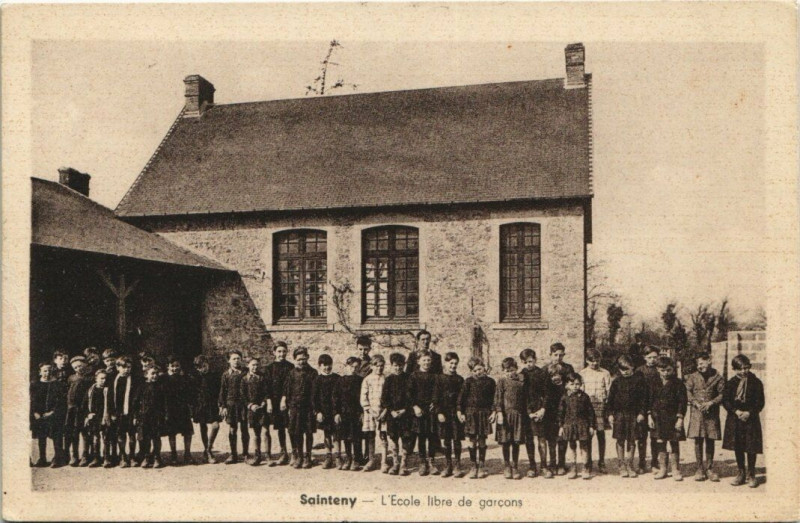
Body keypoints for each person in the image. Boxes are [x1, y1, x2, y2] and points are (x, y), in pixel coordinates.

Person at [722, 354, 764, 488]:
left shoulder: (756, 382)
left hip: (751, 418)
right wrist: (736, 411)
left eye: (746, 368)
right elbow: (726, 401)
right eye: (740, 369)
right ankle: (741, 473)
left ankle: (751, 474)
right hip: (735, 418)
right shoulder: (730, 383)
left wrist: (749, 412)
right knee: (738, 445)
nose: (743, 371)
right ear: (734, 369)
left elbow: (760, 402)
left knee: (751, 446)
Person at [685, 351, 724, 482]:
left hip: (711, 413)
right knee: (698, 439)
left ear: (709, 361)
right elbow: (687, 391)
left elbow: (722, 394)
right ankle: (699, 468)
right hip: (697, 413)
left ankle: (710, 468)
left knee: (710, 439)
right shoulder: (692, 377)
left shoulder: (718, 377)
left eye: (702, 363)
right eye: (698, 364)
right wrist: (695, 402)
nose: (700, 366)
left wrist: (711, 403)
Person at [606, 355, 647, 477]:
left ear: (632, 367)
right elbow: (610, 400)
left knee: (632, 440)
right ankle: (621, 464)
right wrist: (610, 414)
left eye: (627, 369)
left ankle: (630, 464)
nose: (625, 372)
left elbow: (643, 399)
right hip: (619, 415)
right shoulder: (616, 382)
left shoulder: (639, 381)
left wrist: (641, 413)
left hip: (633, 415)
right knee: (620, 439)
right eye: (622, 369)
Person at [649, 356, 687, 481]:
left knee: (674, 442)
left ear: (673, 369)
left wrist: (680, 418)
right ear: (657, 369)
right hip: (657, 417)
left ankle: (675, 469)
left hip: (673, 418)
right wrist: (649, 415)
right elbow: (648, 400)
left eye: (668, 370)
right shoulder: (653, 382)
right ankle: (663, 468)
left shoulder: (678, 383)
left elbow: (682, 402)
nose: (666, 373)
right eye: (662, 370)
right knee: (660, 443)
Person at [458, 356, 495, 479]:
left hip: (484, 413)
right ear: (471, 371)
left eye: (480, 369)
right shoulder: (468, 381)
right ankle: (473, 465)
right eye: (475, 371)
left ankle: (482, 465)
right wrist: (460, 412)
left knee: (482, 440)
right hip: (471, 414)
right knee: (472, 440)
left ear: (484, 367)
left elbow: (494, 399)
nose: (478, 372)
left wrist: (493, 412)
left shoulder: (490, 382)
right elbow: (461, 399)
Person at [281, 346, 318, 469]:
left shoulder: (313, 372)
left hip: (308, 408)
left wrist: (314, 408)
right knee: (296, 432)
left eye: (303, 359)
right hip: (295, 407)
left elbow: (315, 392)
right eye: (298, 359)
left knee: (308, 432)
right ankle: (299, 456)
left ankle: (308, 456)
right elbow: (287, 390)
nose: (301, 362)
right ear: (295, 360)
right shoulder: (291, 373)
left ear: (307, 357)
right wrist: (284, 401)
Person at [579, 348, 612, 474]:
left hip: (601, 407)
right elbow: (581, 392)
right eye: (591, 361)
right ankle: (587, 463)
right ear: (587, 361)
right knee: (587, 435)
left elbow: (609, 391)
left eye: (597, 360)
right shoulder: (582, 374)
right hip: (587, 408)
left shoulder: (605, 373)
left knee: (601, 434)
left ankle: (602, 461)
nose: (594, 363)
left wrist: (607, 408)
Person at [407, 351, 440, 476]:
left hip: (431, 410)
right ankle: (422, 461)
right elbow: (409, 393)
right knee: (421, 436)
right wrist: (415, 407)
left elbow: (437, 391)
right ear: (418, 361)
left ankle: (431, 461)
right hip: (419, 410)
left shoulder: (434, 376)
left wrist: (435, 402)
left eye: (428, 360)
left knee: (431, 435)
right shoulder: (414, 376)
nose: (426, 363)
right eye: (424, 360)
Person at [559, 373, 596, 479]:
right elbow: (561, 413)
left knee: (584, 447)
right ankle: (573, 468)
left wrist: (591, 426)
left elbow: (590, 413)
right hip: (569, 425)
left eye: (577, 384)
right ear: (567, 385)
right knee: (571, 447)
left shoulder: (584, 397)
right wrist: (561, 426)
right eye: (572, 384)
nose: (575, 386)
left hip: (582, 425)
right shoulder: (565, 398)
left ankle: (585, 468)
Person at [434, 352, 465, 478]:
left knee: (457, 439)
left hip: (455, 413)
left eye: (455, 363)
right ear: (445, 364)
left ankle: (457, 465)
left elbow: (462, 398)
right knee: (446, 440)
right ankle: (448, 465)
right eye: (451, 363)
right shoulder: (439, 378)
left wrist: (460, 411)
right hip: (444, 413)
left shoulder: (460, 379)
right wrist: (439, 412)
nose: (453, 365)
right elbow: (436, 397)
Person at [30, 362, 67, 467]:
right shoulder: (35, 384)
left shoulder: (57, 384)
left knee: (56, 436)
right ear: (40, 372)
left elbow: (60, 401)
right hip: (40, 415)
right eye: (45, 371)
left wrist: (52, 412)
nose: (47, 373)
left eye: (50, 370)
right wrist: (35, 412)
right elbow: (32, 400)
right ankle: (42, 458)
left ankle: (58, 458)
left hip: (54, 414)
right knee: (42, 436)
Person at [494, 357, 526, 479]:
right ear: (503, 371)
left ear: (516, 369)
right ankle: (507, 465)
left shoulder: (521, 382)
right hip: (505, 416)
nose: (509, 373)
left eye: (512, 370)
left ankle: (515, 466)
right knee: (505, 442)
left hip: (517, 416)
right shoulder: (501, 381)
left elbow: (524, 399)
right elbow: (498, 398)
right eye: (506, 371)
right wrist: (499, 413)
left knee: (515, 442)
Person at [519, 348, 548, 478]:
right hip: (527, 411)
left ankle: (544, 466)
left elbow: (547, 394)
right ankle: (532, 466)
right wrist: (528, 412)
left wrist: (543, 409)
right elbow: (521, 396)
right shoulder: (521, 375)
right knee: (529, 439)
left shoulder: (542, 373)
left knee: (542, 439)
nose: (529, 364)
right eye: (526, 362)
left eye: (531, 361)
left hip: (540, 410)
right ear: (522, 362)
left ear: (535, 360)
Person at [264, 341, 294, 465]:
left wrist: (285, 399)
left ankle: (295, 453)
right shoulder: (269, 368)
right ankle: (283, 452)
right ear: (274, 353)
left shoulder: (290, 367)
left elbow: (290, 385)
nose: (282, 354)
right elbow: (267, 387)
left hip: (288, 401)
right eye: (279, 351)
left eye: (284, 351)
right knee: (281, 427)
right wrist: (269, 402)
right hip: (275, 402)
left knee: (291, 427)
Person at [380, 352, 409, 475]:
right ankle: (395, 463)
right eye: (395, 365)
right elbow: (384, 399)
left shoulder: (408, 378)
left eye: (400, 365)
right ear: (391, 365)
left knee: (405, 438)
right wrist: (391, 410)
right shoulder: (388, 380)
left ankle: (404, 464)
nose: (398, 368)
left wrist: (404, 410)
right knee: (393, 438)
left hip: (405, 414)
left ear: (404, 365)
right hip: (392, 415)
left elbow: (411, 397)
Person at [134, 364, 167, 468]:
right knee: (144, 438)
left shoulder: (160, 387)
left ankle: (157, 457)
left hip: (157, 417)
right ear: (146, 374)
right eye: (152, 373)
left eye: (157, 373)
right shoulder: (141, 387)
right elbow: (135, 402)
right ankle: (147, 457)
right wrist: (135, 416)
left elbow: (165, 403)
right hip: (143, 417)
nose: (155, 375)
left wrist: (165, 415)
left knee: (156, 437)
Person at [335, 356, 365, 470]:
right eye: (351, 366)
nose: (354, 369)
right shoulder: (340, 380)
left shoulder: (360, 380)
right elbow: (335, 398)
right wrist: (336, 413)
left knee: (356, 436)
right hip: (344, 413)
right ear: (346, 366)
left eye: (356, 367)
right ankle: (348, 457)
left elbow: (362, 398)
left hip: (356, 413)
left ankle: (357, 459)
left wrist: (362, 412)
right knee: (346, 436)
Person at [163, 357, 195, 465]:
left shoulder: (184, 378)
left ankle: (187, 453)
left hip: (183, 409)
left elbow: (189, 392)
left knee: (187, 432)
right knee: (172, 433)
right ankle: (173, 454)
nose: (175, 368)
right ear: (168, 366)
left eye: (177, 366)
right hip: (170, 409)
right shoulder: (164, 378)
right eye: (172, 366)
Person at [219, 349, 248, 464]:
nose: (236, 361)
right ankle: (233, 454)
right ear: (229, 361)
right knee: (232, 429)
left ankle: (245, 453)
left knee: (244, 429)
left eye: (238, 358)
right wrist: (223, 406)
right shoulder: (226, 375)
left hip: (243, 404)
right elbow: (222, 391)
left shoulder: (246, 372)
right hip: (231, 405)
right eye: (234, 359)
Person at [191, 355, 222, 464]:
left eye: (205, 365)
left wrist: (220, 404)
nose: (205, 368)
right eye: (201, 367)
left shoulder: (214, 376)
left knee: (215, 425)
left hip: (212, 405)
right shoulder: (194, 378)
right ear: (197, 368)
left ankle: (208, 448)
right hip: (200, 405)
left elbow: (220, 390)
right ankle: (207, 451)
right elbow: (192, 393)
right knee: (202, 426)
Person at [360, 354, 388, 472]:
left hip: (383, 412)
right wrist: (369, 410)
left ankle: (384, 461)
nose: (379, 368)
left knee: (383, 436)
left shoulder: (386, 379)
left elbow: (390, 397)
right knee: (370, 436)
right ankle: (371, 460)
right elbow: (363, 397)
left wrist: (385, 411)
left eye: (381, 366)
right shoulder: (367, 379)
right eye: (376, 366)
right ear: (371, 366)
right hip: (370, 412)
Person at [111, 355, 140, 468]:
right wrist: (112, 412)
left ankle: (132, 456)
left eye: (128, 367)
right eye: (123, 367)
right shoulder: (114, 379)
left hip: (131, 412)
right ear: (118, 367)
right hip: (118, 413)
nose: (126, 369)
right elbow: (109, 397)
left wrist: (135, 414)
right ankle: (123, 456)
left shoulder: (134, 380)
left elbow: (137, 398)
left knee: (132, 434)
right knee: (120, 434)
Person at [635, 346, 661, 474]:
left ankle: (655, 462)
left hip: (657, 407)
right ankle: (641, 463)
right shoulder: (639, 371)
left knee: (655, 436)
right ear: (644, 357)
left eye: (654, 357)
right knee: (641, 436)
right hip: (642, 407)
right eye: (649, 357)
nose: (652, 360)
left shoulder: (660, 370)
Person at [312, 354, 340, 469]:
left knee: (337, 434)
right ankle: (329, 457)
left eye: (329, 365)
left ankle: (338, 457)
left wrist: (338, 412)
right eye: (324, 365)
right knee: (327, 434)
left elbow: (341, 397)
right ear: (319, 366)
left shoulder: (337, 378)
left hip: (336, 412)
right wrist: (317, 412)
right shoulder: (317, 380)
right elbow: (313, 398)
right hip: (324, 412)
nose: (327, 368)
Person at [65, 356, 93, 467]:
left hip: (84, 409)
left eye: (80, 366)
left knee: (85, 432)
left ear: (85, 365)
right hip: (72, 409)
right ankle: (74, 456)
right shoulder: (71, 378)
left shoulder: (90, 378)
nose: (78, 369)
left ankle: (85, 455)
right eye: (75, 367)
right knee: (74, 432)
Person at [241, 356, 269, 466]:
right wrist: (250, 405)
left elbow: (267, 392)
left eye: (257, 365)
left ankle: (268, 455)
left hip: (263, 408)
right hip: (252, 409)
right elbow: (242, 396)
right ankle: (257, 455)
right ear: (248, 366)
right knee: (255, 433)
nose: (255, 367)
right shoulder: (244, 379)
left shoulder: (263, 378)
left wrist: (264, 402)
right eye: (253, 365)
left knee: (265, 431)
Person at [82, 369, 112, 467]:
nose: (103, 380)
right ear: (96, 379)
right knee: (95, 437)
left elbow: (112, 404)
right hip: (94, 417)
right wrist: (88, 414)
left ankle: (106, 458)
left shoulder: (108, 390)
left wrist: (111, 415)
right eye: (101, 378)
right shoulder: (90, 390)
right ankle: (96, 458)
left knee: (106, 437)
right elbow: (84, 405)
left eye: (105, 379)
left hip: (104, 416)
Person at [544, 362, 568, 476]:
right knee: (552, 441)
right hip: (550, 417)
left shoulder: (566, 387)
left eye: (557, 375)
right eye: (553, 375)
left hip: (563, 416)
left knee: (562, 440)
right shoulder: (548, 387)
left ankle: (561, 464)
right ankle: (552, 463)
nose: (555, 377)